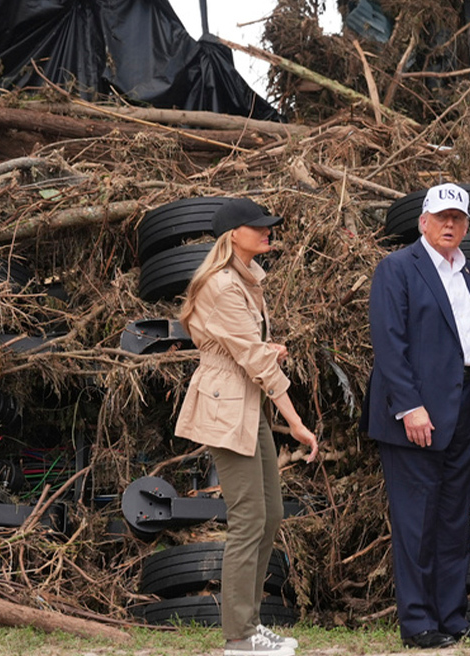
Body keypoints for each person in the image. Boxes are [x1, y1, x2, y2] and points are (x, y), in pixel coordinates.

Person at [174, 198, 319, 656]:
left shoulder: (243, 279)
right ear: (233, 234)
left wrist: (264, 350)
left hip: (246, 401)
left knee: (270, 513)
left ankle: (250, 626)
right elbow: (252, 358)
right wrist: (295, 421)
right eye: (258, 227)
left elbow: (245, 348)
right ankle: (239, 635)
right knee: (248, 519)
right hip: (225, 405)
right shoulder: (221, 285)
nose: (267, 231)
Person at [365, 183, 470, 649]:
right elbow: (389, 342)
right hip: (416, 413)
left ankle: (452, 618)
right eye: (442, 217)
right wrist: (410, 406)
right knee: (416, 521)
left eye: (458, 219)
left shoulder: (468, 273)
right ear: (423, 221)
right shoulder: (397, 268)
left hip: (464, 405)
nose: (450, 225)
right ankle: (419, 622)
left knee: (453, 520)